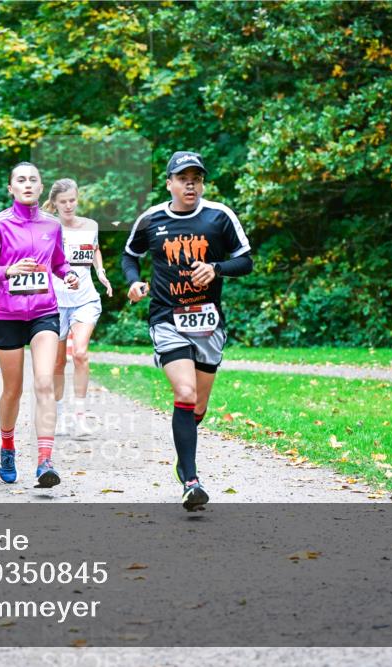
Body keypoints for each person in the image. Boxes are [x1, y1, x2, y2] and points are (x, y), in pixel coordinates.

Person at [121, 151, 253, 511]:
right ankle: (191, 480)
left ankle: (184, 456)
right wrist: (134, 283)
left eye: (196, 177)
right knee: (184, 391)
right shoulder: (151, 220)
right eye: (183, 177)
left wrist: (217, 268)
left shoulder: (219, 217)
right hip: (167, 317)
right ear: (170, 183)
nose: (190, 183)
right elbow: (129, 255)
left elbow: (246, 260)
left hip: (208, 323)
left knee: (199, 404)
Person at [0, 162, 79, 487]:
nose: (27, 184)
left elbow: (59, 263)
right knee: (13, 391)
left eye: (33, 179)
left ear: (41, 187)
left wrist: (69, 273)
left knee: (45, 382)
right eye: (21, 179)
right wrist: (7, 271)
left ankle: (45, 460)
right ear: (11, 188)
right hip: (7, 315)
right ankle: (7, 447)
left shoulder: (51, 225)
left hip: (44, 311)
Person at [42, 179, 113, 436]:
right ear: (55, 204)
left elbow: (94, 249)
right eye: (63, 202)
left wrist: (101, 271)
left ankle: (80, 417)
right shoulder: (48, 227)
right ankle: (60, 416)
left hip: (85, 298)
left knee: (80, 353)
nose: (69, 205)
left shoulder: (90, 225)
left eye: (72, 200)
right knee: (58, 363)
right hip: (56, 302)